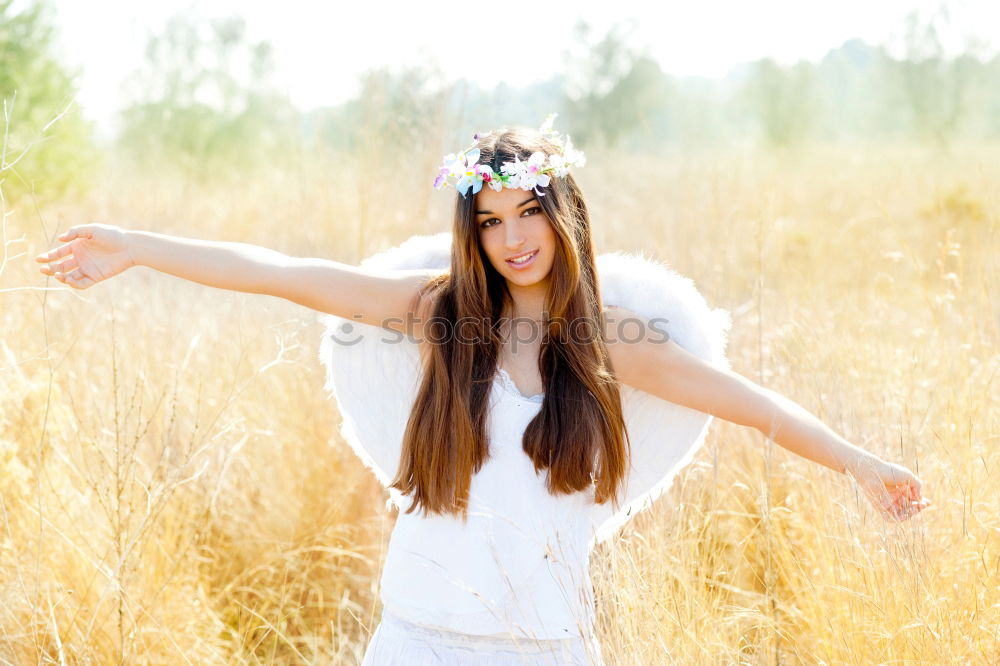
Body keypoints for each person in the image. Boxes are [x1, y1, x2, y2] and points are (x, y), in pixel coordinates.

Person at [34, 116, 930, 665]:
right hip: (419, 637)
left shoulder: (612, 343)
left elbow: (754, 405)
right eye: (491, 221)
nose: (512, 238)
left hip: (548, 646)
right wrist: (139, 244)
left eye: (527, 211)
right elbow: (286, 274)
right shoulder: (440, 314)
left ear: (563, 211)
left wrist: (857, 462)